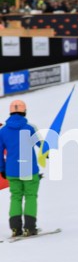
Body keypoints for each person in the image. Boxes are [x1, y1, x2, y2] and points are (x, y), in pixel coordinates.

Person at [0, 100, 41, 237]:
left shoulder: (3, 131)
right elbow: (41, 145)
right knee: (30, 196)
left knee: (16, 197)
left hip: (11, 170)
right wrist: (48, 153)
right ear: (24, 112)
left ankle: (15, 229)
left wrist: (2, 169)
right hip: (28, 169)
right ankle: (30, 227)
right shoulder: (30, 128)